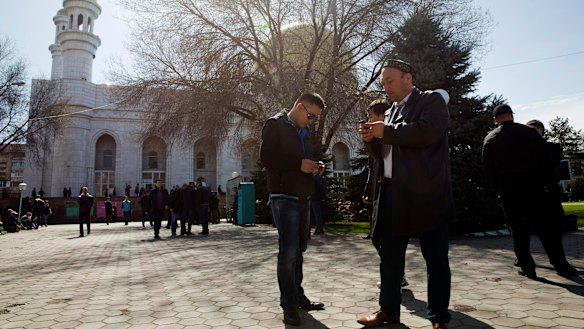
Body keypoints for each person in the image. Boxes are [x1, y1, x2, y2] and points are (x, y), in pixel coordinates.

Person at [357, 59, 454, 329]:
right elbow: (385, 155)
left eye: (390, 81)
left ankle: (438, 318)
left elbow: (426, 132)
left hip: (426, 195)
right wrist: (372, 141)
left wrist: (385, 131)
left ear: (407, 78)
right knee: (389, 257)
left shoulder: (430, 101)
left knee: (435, 259)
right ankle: (388, 311)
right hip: (392, 195)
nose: (385, 87)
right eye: (383, 83)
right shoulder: (389, 112)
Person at [482, 107, 577, 278]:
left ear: (495, 119)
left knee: (519, 231)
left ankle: (527, 267)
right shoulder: (528, 133)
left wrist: (498, 190)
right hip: (535, 188)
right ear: (512, 115)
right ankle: (560, 265)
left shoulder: (491, 139)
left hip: (510, 192)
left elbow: (489, 171)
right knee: (546, 230)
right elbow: (547, 157)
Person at [260, 92, 326, 326]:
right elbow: (266, 157)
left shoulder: (304, 132)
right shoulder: (275, 124)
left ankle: (297, 295)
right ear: (298, 107)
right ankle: (288, 304)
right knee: (288, 251)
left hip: (303, 195)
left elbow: (305, 160)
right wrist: (299, 164)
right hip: (283, 195)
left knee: (299, 249)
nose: (311, 121)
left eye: (315, 118)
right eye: (310, 116)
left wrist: (315, 166)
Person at [311, 164, 326, 235]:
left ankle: (319, 229)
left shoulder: (314, 179)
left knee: (317, 215)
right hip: (319, 198)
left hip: (314, 198)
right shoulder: (321, 179)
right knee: (319, 214)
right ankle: (319, 229)